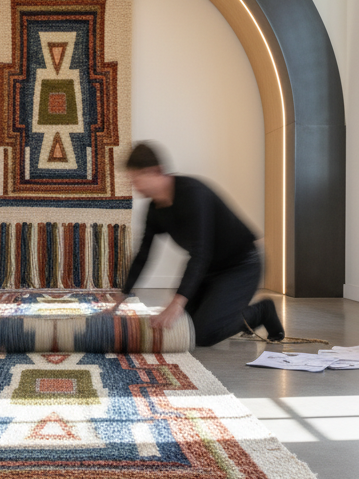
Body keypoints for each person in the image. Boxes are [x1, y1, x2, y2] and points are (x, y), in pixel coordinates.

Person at [113, 142, 285, 346]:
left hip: (241, 265)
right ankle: (232, 314)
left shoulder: (193, 193)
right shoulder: (155, 210)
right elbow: (143, 254)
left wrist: (177, 303)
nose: (135, 186)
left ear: (155, 171)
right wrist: (123, 295)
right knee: (187, 326)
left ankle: (261, 312)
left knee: (204, 334)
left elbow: (200, 252)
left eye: (137, 179)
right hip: (210, 270)